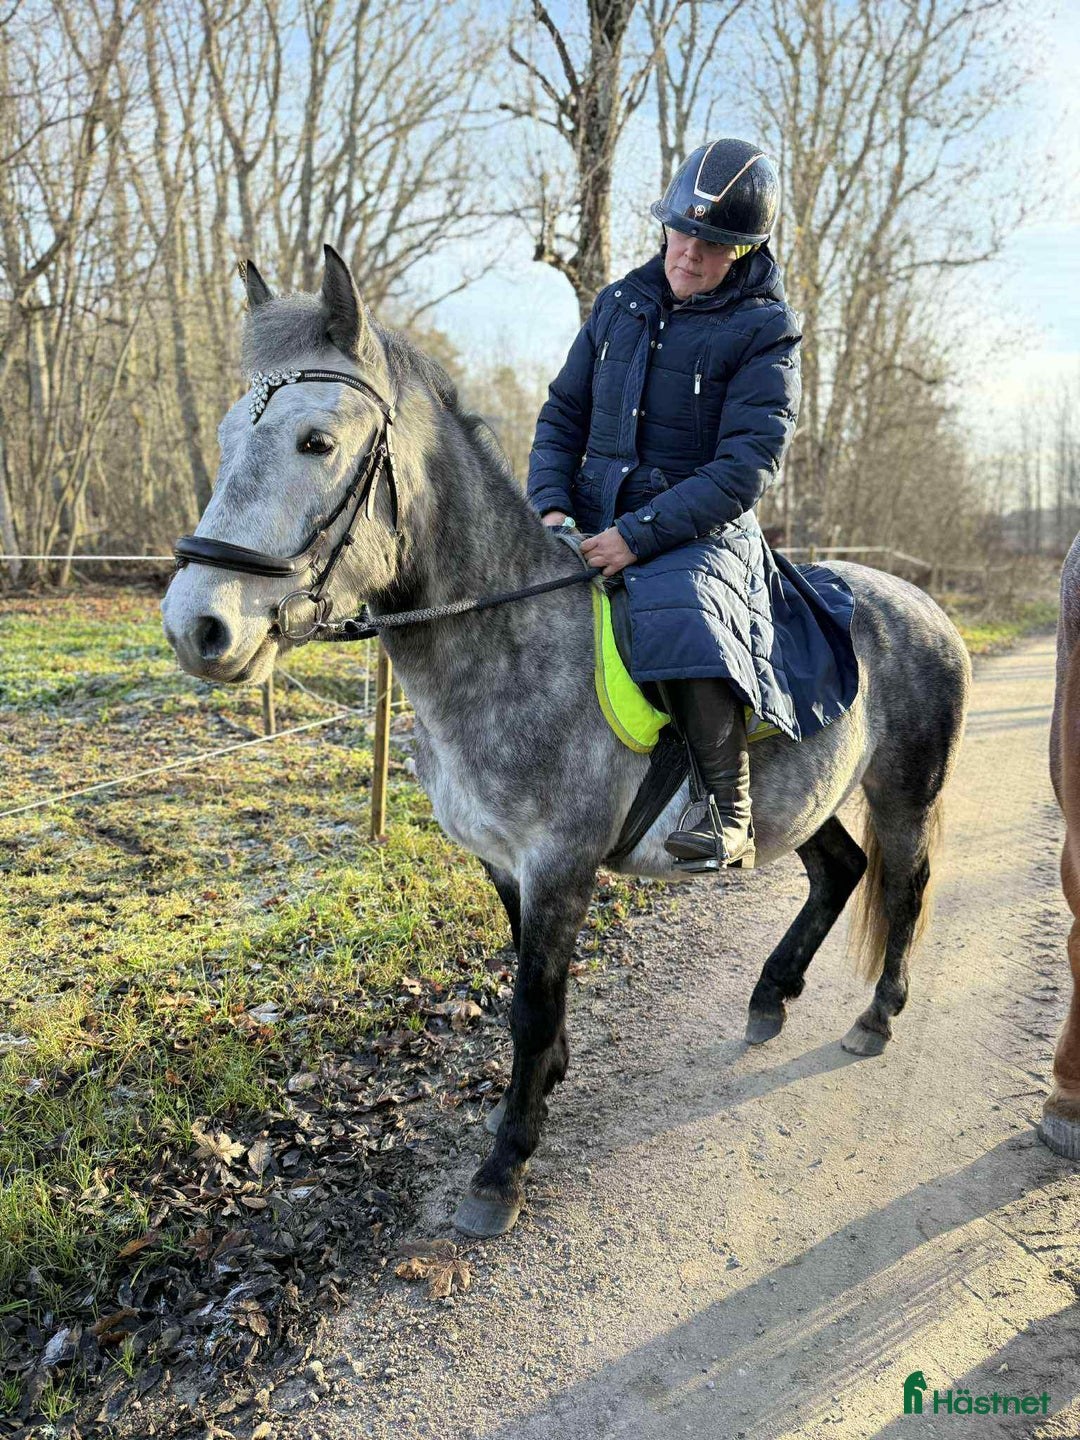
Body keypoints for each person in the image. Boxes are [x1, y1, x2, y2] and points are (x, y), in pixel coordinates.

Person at [527, 137, 858, 871]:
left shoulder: (768, 330)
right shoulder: (617, 305)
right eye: (683, 232)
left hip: (697, 525)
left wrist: (637, 538)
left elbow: (745, 467)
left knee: (680, 610)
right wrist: (551, 509)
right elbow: (560, 417)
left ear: (743, 252)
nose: (689, 254)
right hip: (585, 513)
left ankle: (727, 809)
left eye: (712, 245)